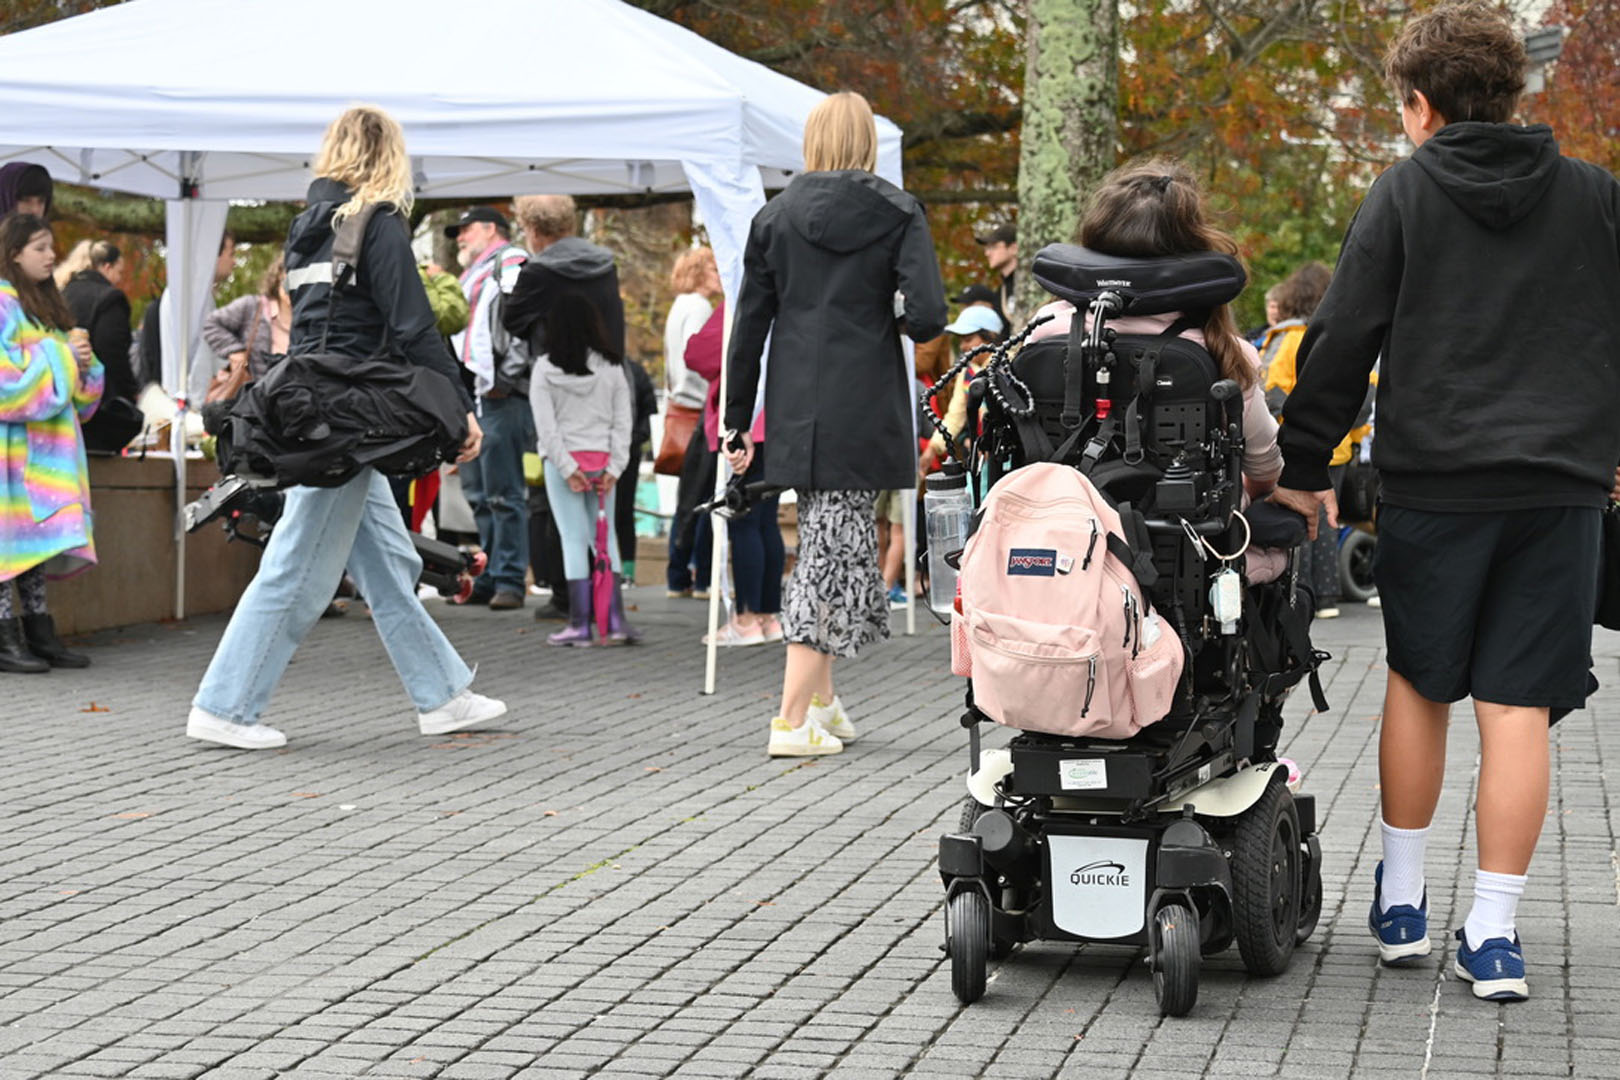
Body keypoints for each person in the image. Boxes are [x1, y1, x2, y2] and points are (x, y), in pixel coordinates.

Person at [1270, 1, 1620, 1003]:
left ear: (1420, 106)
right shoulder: (1596, 197)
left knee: (1421, 684)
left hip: (1435, 484)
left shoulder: (1406, 193)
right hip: (1559, 490)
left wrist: (1303, 465)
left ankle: (1406, 904)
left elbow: (1342, 339)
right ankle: (1497, 933)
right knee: (1519, 710)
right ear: (1512, 94)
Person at [186, 105, 502, 750]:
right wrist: (459, 408)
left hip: (316, 411)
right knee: (299, 568)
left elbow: (314, 327)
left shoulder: (306, 227)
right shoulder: (378, 223)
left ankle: (442, 694)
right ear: (389, 156)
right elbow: (414, 326)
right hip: (351, 420)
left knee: (389, 564)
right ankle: (226, 705)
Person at [725, 90, 947, 757]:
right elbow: (930, 316)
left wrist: (737, 421)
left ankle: (822, 702)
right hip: (864, 399)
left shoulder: (775, 216)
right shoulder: (899, 211)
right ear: (868, 143)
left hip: (796, 402)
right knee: (828, 554)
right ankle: (791, 718)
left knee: (834, 543)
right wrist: (897, 314)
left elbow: (749, 327)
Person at [1024, 159, 1284, 571]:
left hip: (1060, 552)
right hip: (1184, 559)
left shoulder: (1040, 333)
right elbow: (1264, 470)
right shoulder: (1224, 352)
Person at [504, 194, 625, 621]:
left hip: (556, 386)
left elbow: (511, 319)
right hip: (605, 386)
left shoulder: (537, 271)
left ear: (532, 230)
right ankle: (609, 604)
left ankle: (571, 604)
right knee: (602, 520)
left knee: (565, 520)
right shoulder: (605, 264)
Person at [0, 214, 103, 673]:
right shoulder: (3, 303)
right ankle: (5, 636)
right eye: (40, 247)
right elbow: (6, 382)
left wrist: (83, 360)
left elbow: (77, 389)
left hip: (47, 453)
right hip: (12, 450)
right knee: (8, 542)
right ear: (14, 251)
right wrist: (62, 354)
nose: (51, 255)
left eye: (51, 246)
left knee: (35, 541)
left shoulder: (46, 304)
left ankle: (39, 630)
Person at [529, 292, 636, 646]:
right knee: (607, 541)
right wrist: (615, 466)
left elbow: (546, 427)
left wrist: (566, 466)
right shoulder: (613, 367)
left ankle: (579, 624)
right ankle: (616, 620)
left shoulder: (544, 369)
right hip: (604, 462)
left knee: (573, 540)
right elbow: (623, 421)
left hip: (564, 465)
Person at [446, 206, 531, 610]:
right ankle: (492, 575)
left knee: (503, 492)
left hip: (497, 394)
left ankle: (510, 579)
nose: (460, 238)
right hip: (475, 396)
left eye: (465, 230)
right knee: (479, 492)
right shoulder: (475, 271)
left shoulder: (511, 263)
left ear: (489, 228)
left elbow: (522, 322)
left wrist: (506, 379)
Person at [685, 300, 781, 647]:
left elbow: (699, 354)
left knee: (744, 521)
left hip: (744, 426)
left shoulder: (740, 294)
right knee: (766, 522)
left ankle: (746, 618)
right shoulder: (788, 292)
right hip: (777, 421)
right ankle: (768, 615)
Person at [1257, 262, 1345, 618]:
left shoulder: (1288, 338)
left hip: (1294, 442)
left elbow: (1270, 389)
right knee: (1327, 523)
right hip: (1336, 446)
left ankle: (1303, 591)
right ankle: (1328, 596)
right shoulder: (1334, 337)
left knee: (1301, 516)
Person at [664, 247, 721, 599]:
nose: (719, 274)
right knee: (703, 496)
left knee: (689, 496)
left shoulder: (679, 306)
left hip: (680, 404)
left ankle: (678, 573)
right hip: (698, 407)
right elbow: (698, 358)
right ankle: (696, 575)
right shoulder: (699, 308)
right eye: (713, 268)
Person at [62, 240, 139, 449]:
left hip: (67, 397)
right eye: (119, 272)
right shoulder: (110, 298)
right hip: (101, 405)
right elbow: (113, 352)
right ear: (107, 266)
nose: (120, 279)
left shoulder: (64, 291)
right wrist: (131, 391)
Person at [200, 254, 290, 384]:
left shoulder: (315, 320)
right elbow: (211, 324)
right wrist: (235, 351)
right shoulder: (252, 307)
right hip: (250, 399)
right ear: (278, 277)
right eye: (289, 280)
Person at [976, 222, 1018, 322]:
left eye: (993, 246)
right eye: (986, 248)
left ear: (1013, 248)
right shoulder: (1000, 292)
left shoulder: (1032, 284)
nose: (987, 253)